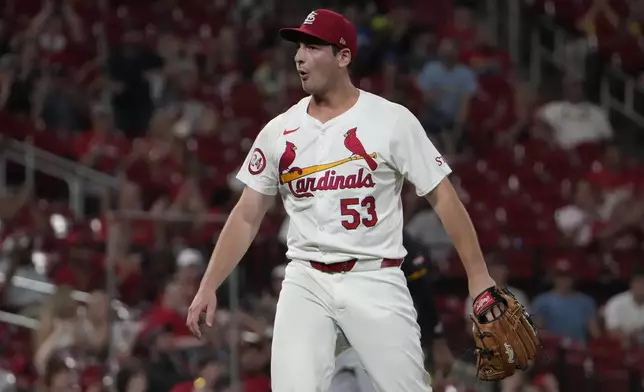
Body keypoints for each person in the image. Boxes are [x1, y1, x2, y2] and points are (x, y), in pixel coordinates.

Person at [187, 9, 496, 392]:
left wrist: (478, 274)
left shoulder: (391, 120)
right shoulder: (279, 130)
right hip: (306, 278)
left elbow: (443, 198)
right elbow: (247, 214)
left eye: (313, 46)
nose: (299, 56)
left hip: (374, 276)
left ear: (343, 56)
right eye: (299, 46)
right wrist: (208, 285)